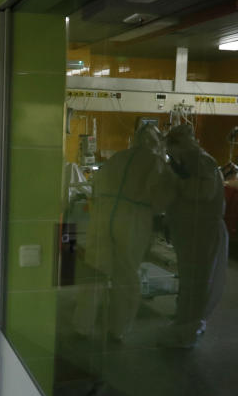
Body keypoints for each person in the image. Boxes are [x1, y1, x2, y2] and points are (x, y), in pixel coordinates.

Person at [80, 124, 174, 341]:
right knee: (126, 273)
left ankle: (82, 325)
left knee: (95, 269)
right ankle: (118, 329)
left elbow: (96, 185)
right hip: (132, 217)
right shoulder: (156, 162)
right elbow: (159, 199)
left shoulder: (117, 158)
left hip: (103, 214)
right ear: (157, 142)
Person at [160, 124, 228, 348]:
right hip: (189, 231)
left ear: (179, 144)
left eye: (171, 149)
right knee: (188, 280)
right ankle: (183, 322)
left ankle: (190, 330)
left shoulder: (202, 161)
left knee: (198, 282)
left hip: (202, 232)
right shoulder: (185, 161)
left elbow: (203, 193)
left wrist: (176, 181)